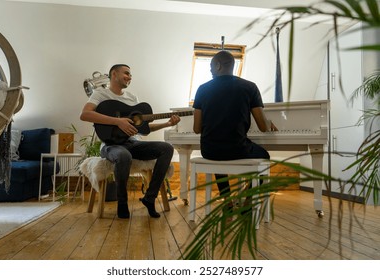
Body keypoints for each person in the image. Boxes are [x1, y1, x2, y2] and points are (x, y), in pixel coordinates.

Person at [80, 64, 180, 219]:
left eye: (131, 75)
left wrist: (167, 124)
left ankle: (150, 198)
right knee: (123, 155)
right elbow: (85, 114)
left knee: (166, 148)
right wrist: (117, 121)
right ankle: (122, 203)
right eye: (126, 73)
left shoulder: (132, 98)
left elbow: (142, 129)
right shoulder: (100, 94)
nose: (130, 77)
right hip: (110, 145)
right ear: (114, 74)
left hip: (132, 143)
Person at [192, 51, 277, 204]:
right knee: (264, 156)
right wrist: (269, 122)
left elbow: (197, 129)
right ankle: (248, 200)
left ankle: (227, 201)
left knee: (218, 154)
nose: (210, 70)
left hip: (209, 150)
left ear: (218, 66)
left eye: (211, 66)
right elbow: (263, 127)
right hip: (237, 149)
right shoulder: (250, 87)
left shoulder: (202, 89)